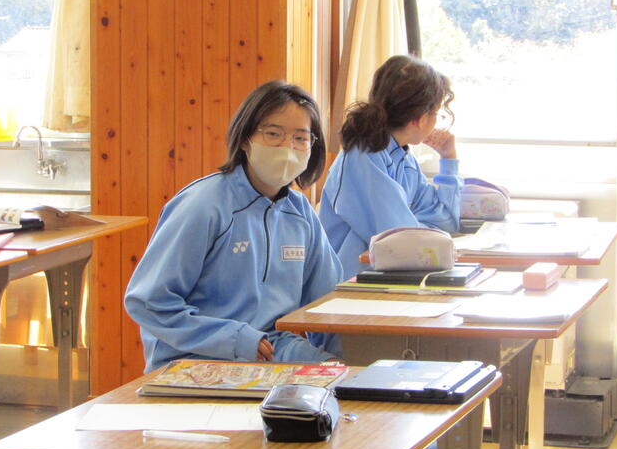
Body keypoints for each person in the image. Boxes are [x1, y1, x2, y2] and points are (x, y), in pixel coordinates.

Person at [125, 81, 343, 372]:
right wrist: (235, 338)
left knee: (346, 379)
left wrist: (341, 362)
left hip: (272, 350)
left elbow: (326, 302)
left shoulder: (299, 212)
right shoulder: (205, 205)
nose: (287, 148)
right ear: (245, 138)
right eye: (273, 134)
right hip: (194, 359)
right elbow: (148, 301)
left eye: (300, 138)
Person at [319, 54, 463, 280]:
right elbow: (400, 239)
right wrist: (424, 229)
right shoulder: (363, 156)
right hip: (350, 283)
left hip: (386, 276)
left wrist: (448, 160)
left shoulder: (403, 158)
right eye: (435, 114)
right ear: (420, 118)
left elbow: (446, 221)